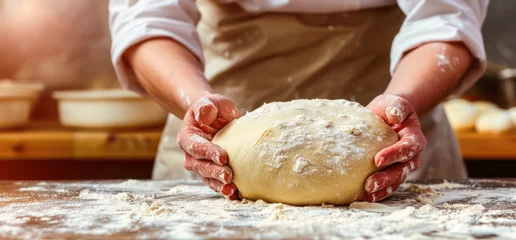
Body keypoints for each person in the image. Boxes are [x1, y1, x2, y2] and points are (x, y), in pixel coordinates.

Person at [109, 0, 488, 202]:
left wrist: (401, 101)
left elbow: (446, 18)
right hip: (215, 126)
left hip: (395, 121)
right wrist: (198, 104)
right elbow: (147, 18)